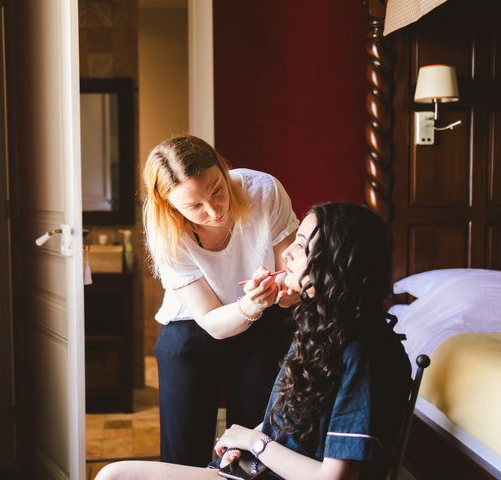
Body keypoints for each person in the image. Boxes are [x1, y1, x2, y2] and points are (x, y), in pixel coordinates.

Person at [95, 202, 412, 480]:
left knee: (114, 476)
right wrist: (243, 446)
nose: (285, 253)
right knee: (115, 474)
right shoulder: (321, 327)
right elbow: (286, 420)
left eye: (301, 244)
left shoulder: (366, 353)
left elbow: (333, 478)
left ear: (336, 261)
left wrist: (254, 443)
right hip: (257, 471)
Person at [142, 135, 301, 466]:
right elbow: (212, 321)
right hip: (192, 330)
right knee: (182, 456)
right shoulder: (165, 231)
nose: (214, 210)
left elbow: (292, 274)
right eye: (195, 206)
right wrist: (250, 305)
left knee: (255, 448)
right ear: (169, 205)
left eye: (216, 189)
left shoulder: (264, 191)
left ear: (222, 167)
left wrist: (287, 292)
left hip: (263, 328)